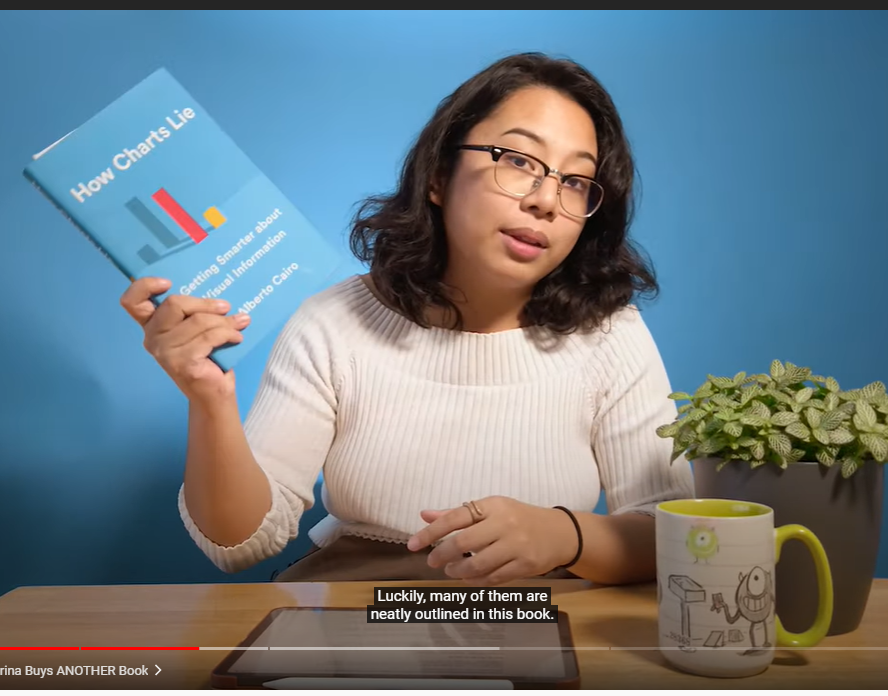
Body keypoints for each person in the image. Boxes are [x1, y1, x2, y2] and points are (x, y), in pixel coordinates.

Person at [120, 52, 694, 587]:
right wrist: (209, 398)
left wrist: (566, 534)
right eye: (519, 161)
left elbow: (676, 536)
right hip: (349, 620)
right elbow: (239, 543)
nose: (546, 199)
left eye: (574, 180)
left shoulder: (611, 334)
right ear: (439, 178)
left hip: (537, 619)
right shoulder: (333, 323)